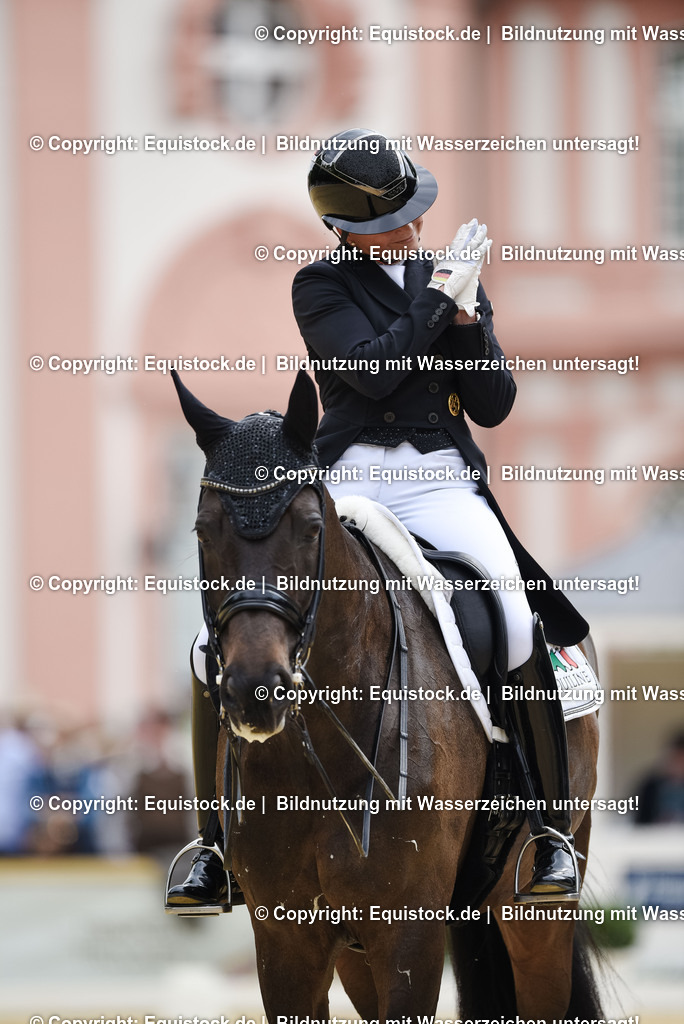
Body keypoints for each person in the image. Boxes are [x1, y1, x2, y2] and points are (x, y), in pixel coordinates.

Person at [167, 128, 590, 911]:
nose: (416, 227)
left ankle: (546, 832)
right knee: (206, 645)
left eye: (413, 210)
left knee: (518, 619)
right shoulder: (319, 285)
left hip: (440, 483)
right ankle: (213, 848)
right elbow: (372, 370)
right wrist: (437, 303)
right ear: (344, 229)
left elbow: (494, 405)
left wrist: (468, 322)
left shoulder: (448, 276)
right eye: (396, 218)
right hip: (353, 482)